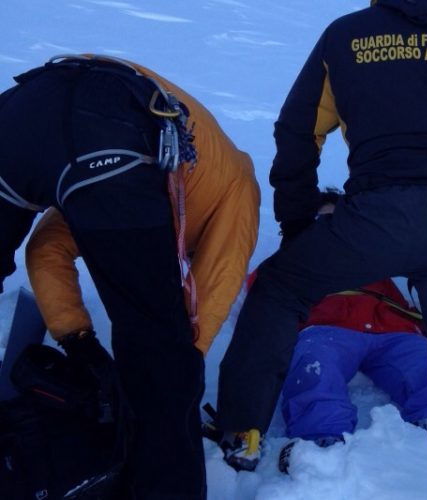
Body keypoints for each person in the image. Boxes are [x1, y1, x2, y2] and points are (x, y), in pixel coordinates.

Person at [214, 2, 427, 499]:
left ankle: (242, 430)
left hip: (378, 212)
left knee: (280, 289)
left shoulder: (346, 35)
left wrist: (299, 219)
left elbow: (298, 129)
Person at [0, 54, 260, 498]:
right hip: (112, 132)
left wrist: (78, 341)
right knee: (162, 357)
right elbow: (211, 293)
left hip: (23, 112)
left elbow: (45, 250)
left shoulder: (176, 172)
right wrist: (173, 369)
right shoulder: (238, 186)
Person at [276, 275, 427, 473]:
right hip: (328, 325)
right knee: (315, 365)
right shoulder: (299, 257)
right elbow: (266, 290)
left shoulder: (387, 263)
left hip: (394, 328)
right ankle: (320, 441)